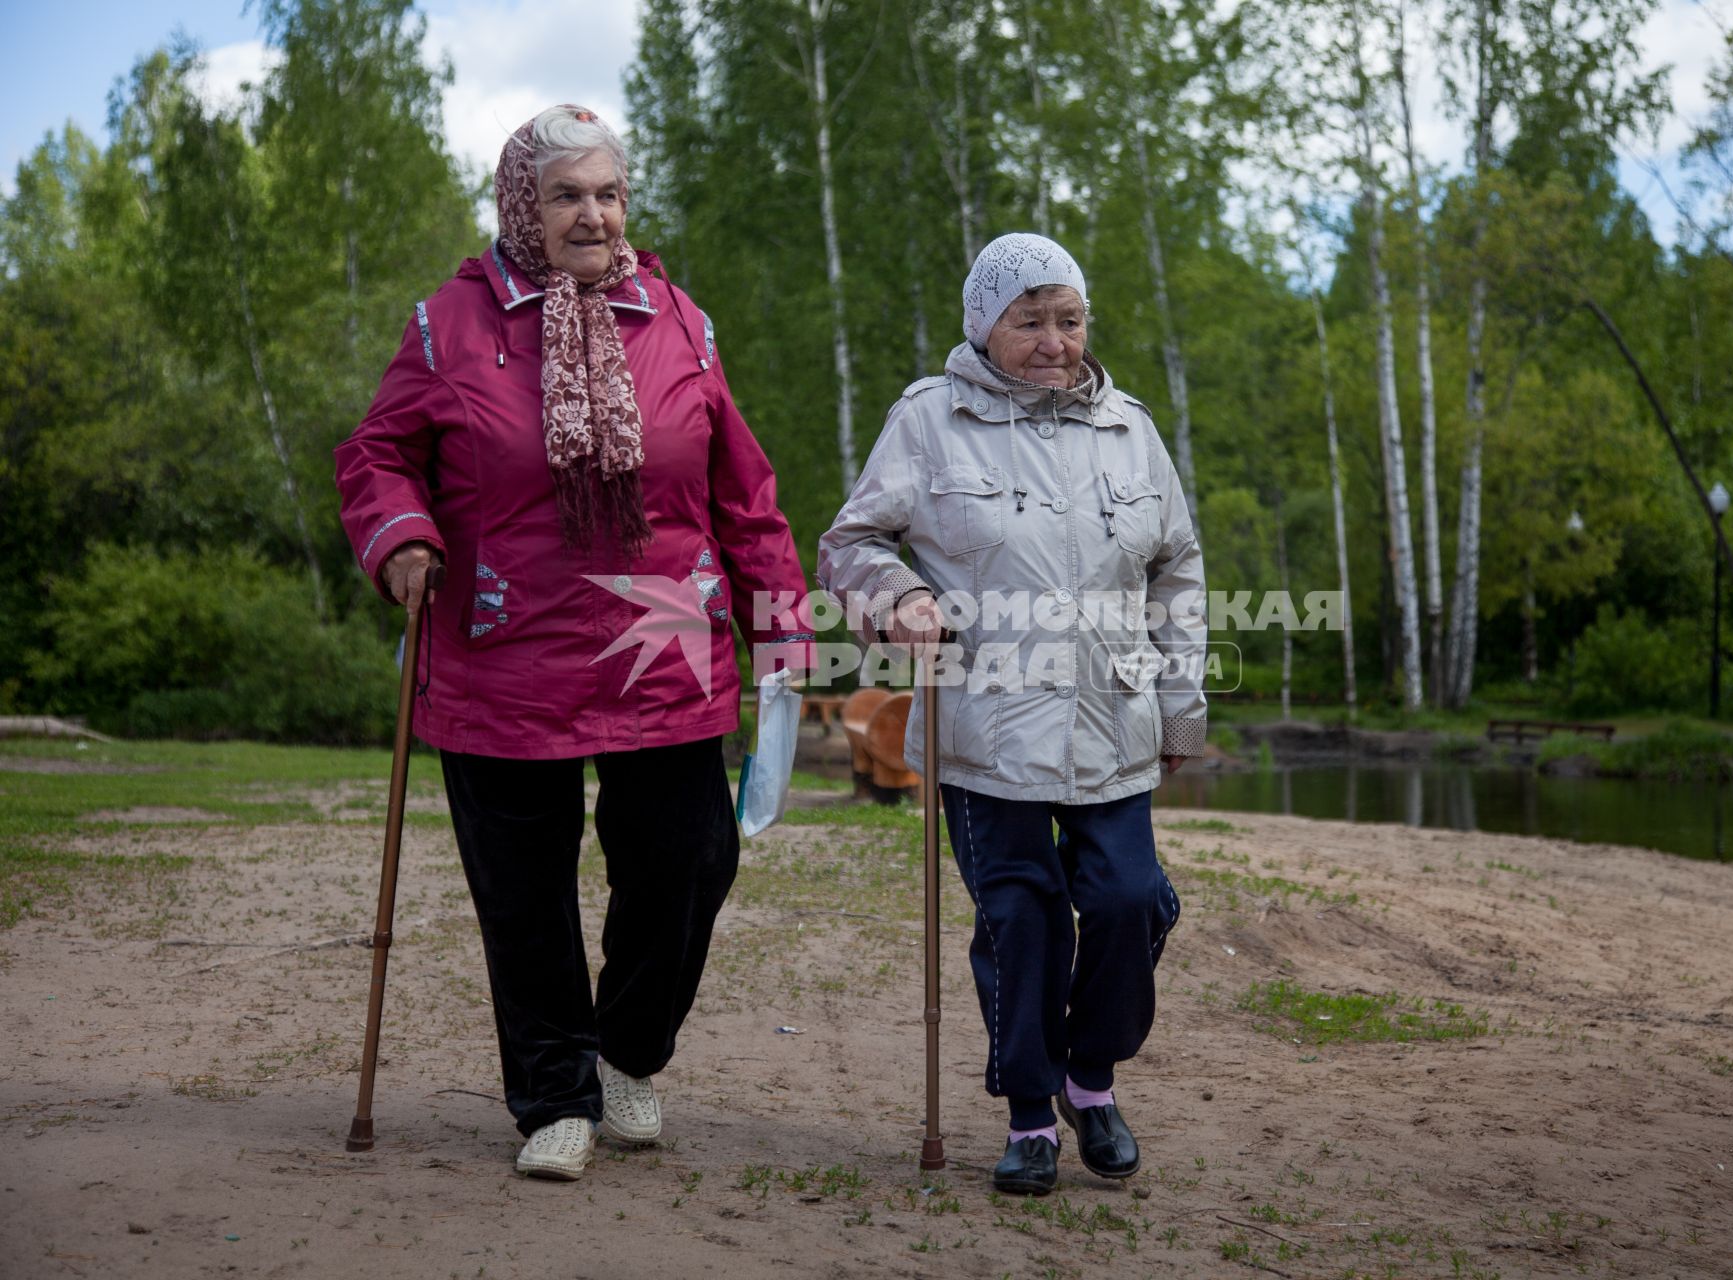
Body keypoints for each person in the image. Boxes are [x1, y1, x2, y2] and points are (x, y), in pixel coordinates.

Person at [335, 105, 813, 1181]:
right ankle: (556, 1092)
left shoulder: (678, 319)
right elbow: (376, 455)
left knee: (691, 858)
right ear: (521, 205)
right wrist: (401, 534)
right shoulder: (450, 325)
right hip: (503, 639)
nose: (592, 215)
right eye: (565, 195)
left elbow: (742, 487)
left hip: (664, 632)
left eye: (607, 193)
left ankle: (629, 1051)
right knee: (523, 888)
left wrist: (779, 617)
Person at [818, 233, 1207, 1195]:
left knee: (1126, 902)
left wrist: (1180, 705)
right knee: (1022, 921)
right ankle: (1033, 1116)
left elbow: (1178, 568)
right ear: (984, 327)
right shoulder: (929, 420)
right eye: (1028, 320)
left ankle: (1090, 1076)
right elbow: (851, 541)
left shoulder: (1130, 429)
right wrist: (898, 600)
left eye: (1068, 320)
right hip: (984, 729)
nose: (1052, 341)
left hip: (1112, 720)